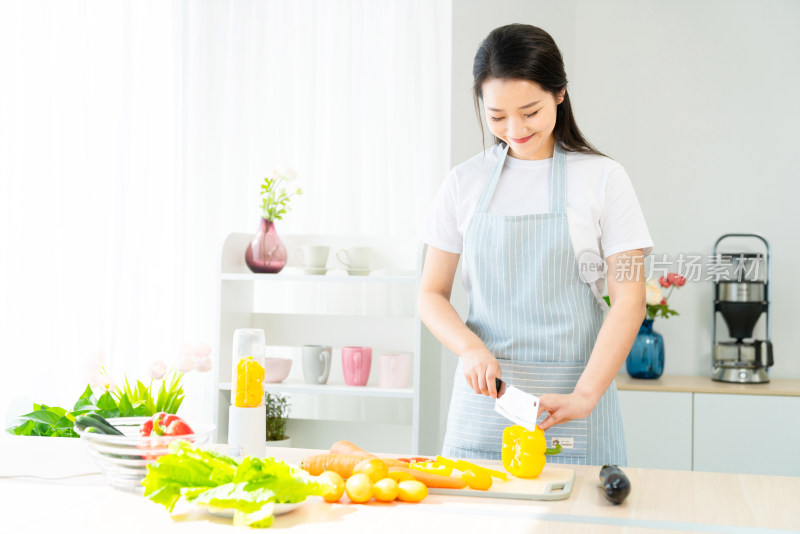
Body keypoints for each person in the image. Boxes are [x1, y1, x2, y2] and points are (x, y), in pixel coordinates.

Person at [418, 24, 654, 465]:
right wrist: (470, 348)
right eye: (497, 116)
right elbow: (431, 294)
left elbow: (630, 300)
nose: (515, 128)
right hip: (486, 398)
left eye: (530, 111)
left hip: (573, 399)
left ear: (560, 94)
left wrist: (584, 396)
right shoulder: (462, 182)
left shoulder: (604, 179)